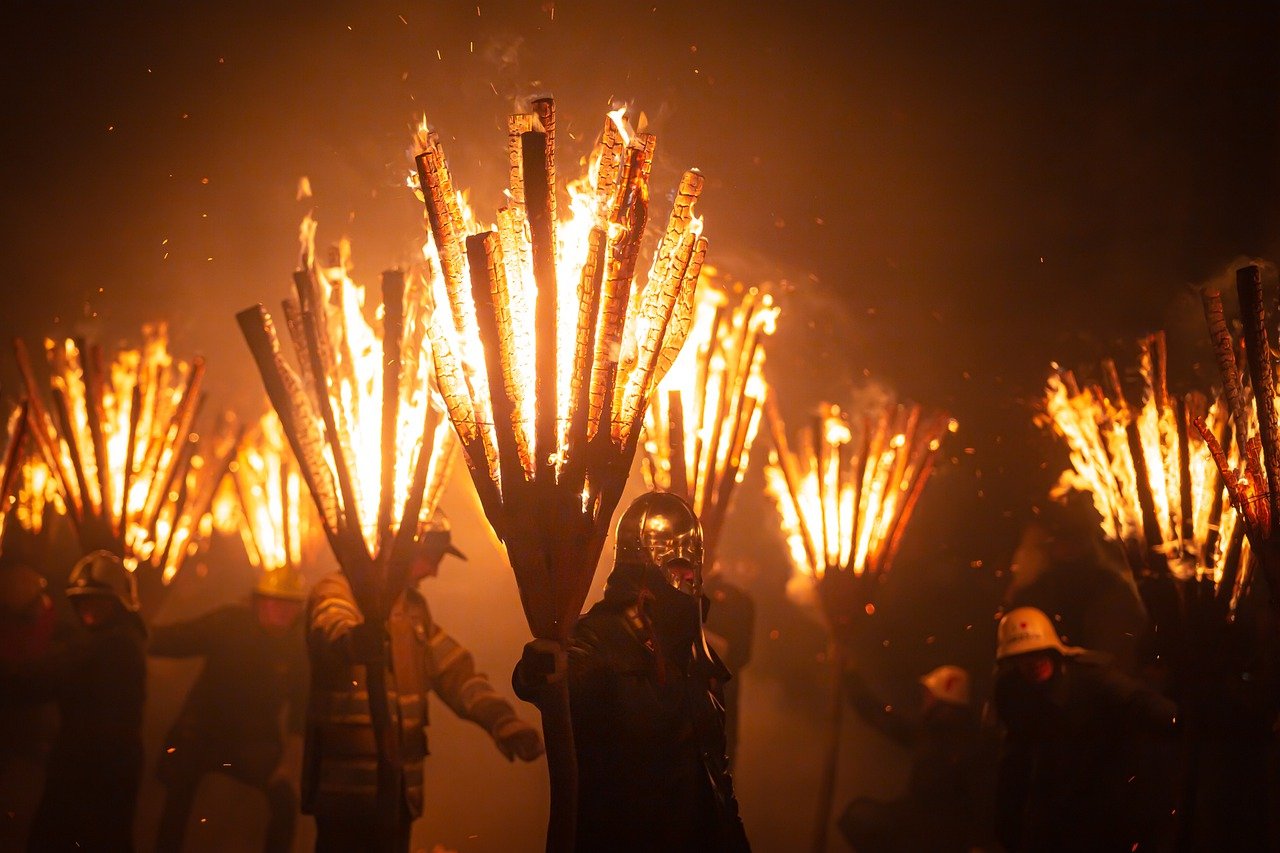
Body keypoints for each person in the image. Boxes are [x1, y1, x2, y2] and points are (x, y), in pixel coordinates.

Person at [514, 491, 751, 852]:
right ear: (649, 567)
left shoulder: (694, 651)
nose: (690, 581)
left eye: (693, 571)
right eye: (679, 570)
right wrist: (543, 666)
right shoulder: (603, 635)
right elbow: (545, 679)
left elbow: (715, 775)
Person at [303, 514, 544, 852]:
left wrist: (501, 720)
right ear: (402, 549)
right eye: (430, 559)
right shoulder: (338, 590)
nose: (434, 571)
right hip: (347, 795)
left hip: (400, 795)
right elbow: (331, 626)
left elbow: (456, 673)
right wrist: (355, 641)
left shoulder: (413, 610)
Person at [149, 566, 309, 852]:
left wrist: (288, 765)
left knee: (284, 804)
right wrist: (133, 634)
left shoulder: (297, 648)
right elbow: (177, 639)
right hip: (202, 734)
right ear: (259, 601)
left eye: (291, 605)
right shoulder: (229, 624)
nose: (283, 612)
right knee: (178, 796)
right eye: (276, 603)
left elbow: (300, 711)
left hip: (253, 743)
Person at [992, 606, 1178, 852]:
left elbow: (1142, 704)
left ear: (1053, 650)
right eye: (1023, 656)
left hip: (1106, 806)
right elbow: (1015, 762)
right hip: (1055, 814)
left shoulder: (1092, 679)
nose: (1033, 662)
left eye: (1038, 653)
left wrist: (1184, 722)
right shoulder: (1014, 695)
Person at [0, 550, 148, 851]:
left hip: (91, 773)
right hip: (101, 768)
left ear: (118, 605)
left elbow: (39, 681)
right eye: (83, 604)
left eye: (98, 604)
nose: (89, 612)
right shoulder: (119, 641)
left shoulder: (109, 648)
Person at [838, 664, 995, 853]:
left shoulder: (948, 741)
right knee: (860, 817)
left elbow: (981, 796)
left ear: (940, 698)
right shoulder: (943, 734)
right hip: (924, 829)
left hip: (932, 837)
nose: (924, 698)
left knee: (860, 817)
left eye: (928, 693)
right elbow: (877, 715)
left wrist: (978, 844)